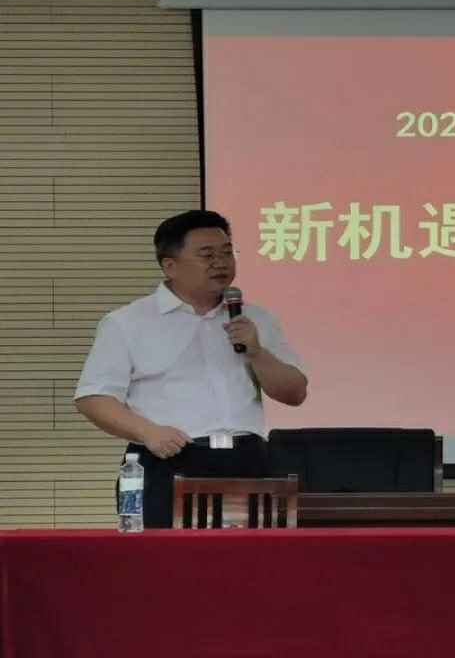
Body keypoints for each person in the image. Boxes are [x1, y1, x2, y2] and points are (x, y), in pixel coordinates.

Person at [74, 210, 308, 528]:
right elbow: (93, 398)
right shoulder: (127, 322)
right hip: (167, 459)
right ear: (169, 266)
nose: (221, 263)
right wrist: (148, 432)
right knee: (162, 556)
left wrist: (257, 352)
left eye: (227, 253)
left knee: (250, 556)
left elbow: (295, 393)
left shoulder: (255, 318)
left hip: (247, 460)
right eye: (207, 255)